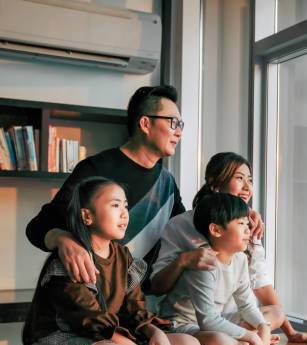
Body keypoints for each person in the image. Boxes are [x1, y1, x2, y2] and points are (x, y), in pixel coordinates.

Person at [16, 177, 201, 345]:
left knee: (188, 343)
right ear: (87, 216)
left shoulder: (122, 256)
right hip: (64, 340)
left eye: (125, 206)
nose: (124, 213)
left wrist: (155, 333)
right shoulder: (72, 260)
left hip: (102, 339)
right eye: (115, 205)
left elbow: (133, 308)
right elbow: (88, 320)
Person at [25, 85, 221, 288]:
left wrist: (241, 215)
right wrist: (62, 238)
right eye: (173, 122)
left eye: (181, 124)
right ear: (145, 124)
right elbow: (38, 226)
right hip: (91, 297)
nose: (179, 132)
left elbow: (189, 229)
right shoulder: (97, 168)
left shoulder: (167, 183)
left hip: (137, 301)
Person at [150, 152, 307, 345]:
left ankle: (242, 339)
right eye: (239, 178)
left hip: (226, 319)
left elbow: (260, 286)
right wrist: (183, 261)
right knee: (218, 340)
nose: (247, 188)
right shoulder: (181, 225)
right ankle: (243, 341)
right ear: (214, 183)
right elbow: (157, 286)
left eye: (250, 180)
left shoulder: (249, 230)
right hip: (191, 320)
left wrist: (290, 332)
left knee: (276, 313)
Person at [158, 192, 275, 345]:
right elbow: (207, 320)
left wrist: (263, 327)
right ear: (216, 230)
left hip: (215, 321)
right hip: (183, 325)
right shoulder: (204, 262)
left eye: (248, 224)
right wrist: (252, 337)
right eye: (241, 223)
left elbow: (246, 304)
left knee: (274, 314)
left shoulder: (240, 259)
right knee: (219, 343)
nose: (248, 230)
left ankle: (239, 342)